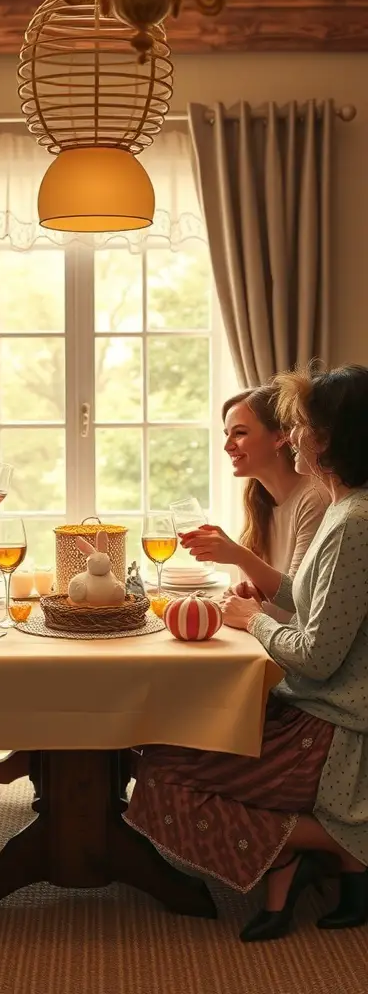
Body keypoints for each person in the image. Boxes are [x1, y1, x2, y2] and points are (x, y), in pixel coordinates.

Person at [125, 364, 368, 942]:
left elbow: (315, 656)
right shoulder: (342, 507)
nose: (292, 433)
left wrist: (252, 619)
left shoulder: (355, 520)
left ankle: (345, 838)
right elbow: (313, 600)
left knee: (159, 778)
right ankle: (297, 857)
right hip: (313, 709)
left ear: (327, 439)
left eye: (300, 424)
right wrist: (263, 597)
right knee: (160, 750)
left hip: (334, 728)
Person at [180, 384, 330, 620]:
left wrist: (239, 555)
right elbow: (280, 593)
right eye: (227, 434)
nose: (227, 445)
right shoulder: (260, 500)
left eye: (239, 433)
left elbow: (297, 600)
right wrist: (255, 592)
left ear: (280, 436)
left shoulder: (315, 499)